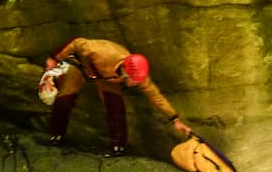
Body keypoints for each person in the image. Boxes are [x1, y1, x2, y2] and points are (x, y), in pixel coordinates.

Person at [43, 36, 193, 156]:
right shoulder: (98, 51)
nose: (136, 84)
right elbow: (77, 42)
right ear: (125, 71)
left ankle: (118, 146)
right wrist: (54, 58)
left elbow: (156, 96)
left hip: (106, 78)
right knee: (65, 98)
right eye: (133, 80)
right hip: (82, 65)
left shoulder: (138, 75)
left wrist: (174, 119)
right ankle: (56, 135)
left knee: (116, 107)